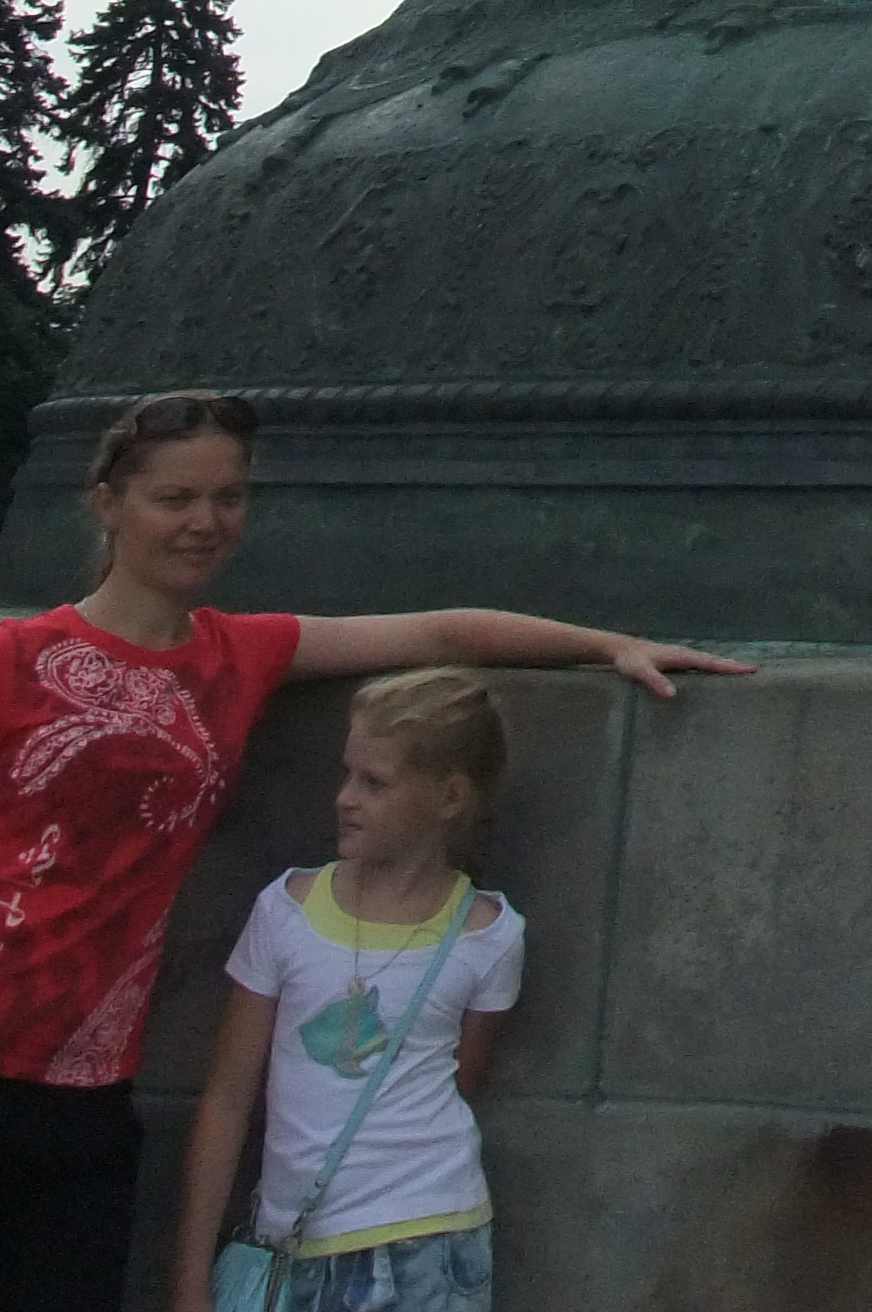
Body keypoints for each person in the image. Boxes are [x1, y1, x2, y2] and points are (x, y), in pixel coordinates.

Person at [0, 390, 749, 1310]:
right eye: (174, 498)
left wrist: (610, 644)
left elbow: (438, 633)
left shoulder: (240, 655)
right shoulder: (17, 656)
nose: (205, 522)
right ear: (108, 504)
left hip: (85, 1079)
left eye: (229, 497)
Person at [168, 667, 518, 1312]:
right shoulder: (287, 910)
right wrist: (189, 1278)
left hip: (428, 1237)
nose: (345, 798)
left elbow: (461, 1079)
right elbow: (228, 1095)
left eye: (374, 783)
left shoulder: (488, 934)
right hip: (291, 1242)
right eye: (347, 774)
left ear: (449, 797)